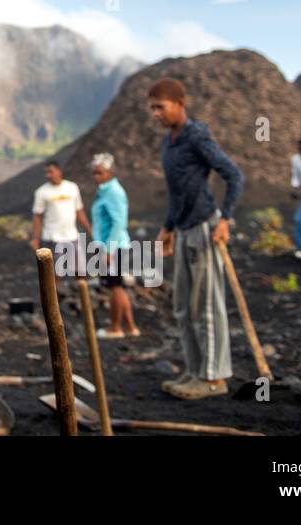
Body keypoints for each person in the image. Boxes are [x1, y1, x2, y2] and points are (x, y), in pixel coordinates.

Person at [148, 77, 245, 400]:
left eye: (160, 107)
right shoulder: (169, 142)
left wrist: (226, 220)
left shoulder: (196, 136)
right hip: (184, 228)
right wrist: (168, 227)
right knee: (182, 307)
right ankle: (194, 371)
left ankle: (213, 378)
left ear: (179, 104)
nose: (156, 114)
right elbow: (178, 191)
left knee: (204, 306)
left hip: (204, 227)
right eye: (152, 109)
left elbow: (233, 175)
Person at [88, 153, 137, 338]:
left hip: (114, 247)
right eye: (93, 173)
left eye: (99, 173)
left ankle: (115, 327)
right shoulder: (105, 191)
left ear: (109, 172)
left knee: (115, 286)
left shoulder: (113, 192)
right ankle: (131, 327)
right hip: (114, 246)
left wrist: (108, 249)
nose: (96, 177)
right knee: (119, 286)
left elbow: (118, 222)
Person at [31, 160, 92, 274]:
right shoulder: (41, 192)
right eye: (46, 173)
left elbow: (79, 211)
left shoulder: (72, 188)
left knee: (80, 271)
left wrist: (91, 231)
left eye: (50, 172)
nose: (48, 175)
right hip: (53, 238)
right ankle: (54, 292)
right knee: (56, 273)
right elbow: (37, 217)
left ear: (59, 171)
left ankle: (81, 291)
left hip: (72, 236)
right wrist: (35, 238)